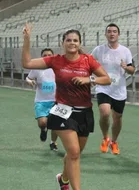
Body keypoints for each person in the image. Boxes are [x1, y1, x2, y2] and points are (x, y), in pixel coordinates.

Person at [21, 23, 111, 190]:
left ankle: (63, 179)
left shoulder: (88, 60)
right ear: (63, 43)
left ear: (79, 43)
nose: (72, 43)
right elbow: (27, 63)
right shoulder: (56, 60)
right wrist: (27, 39)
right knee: (74, 152)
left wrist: (89, 79)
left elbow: (106, 79)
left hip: (84, 113)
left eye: (75, 40)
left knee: (74, 154)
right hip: (63, 111)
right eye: (69, 40)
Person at [91, 23, 135, 155]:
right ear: (105, 34)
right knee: (104, 113)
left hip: (119, 90)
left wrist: (126, 67)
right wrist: (91, 77)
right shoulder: (98, 50)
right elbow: (88, 64)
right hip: (103, 87)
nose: (112, 34)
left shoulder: (125, 51)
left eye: (114, 31)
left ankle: (114, 141)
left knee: (117, 118)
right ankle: (105, 137)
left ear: (118, 34)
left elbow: (132, 70)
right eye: (109, 31)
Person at [26, 48, 59, 151]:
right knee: (42, 122)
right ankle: (43, 129)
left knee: (55, 124)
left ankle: (53, 142)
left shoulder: (58, 68)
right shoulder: (37, 68)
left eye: (49, 54)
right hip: (41, 101)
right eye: (45, 55)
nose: (47, 56)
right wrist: (29, 81)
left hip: (56, 100)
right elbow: (28, 77)